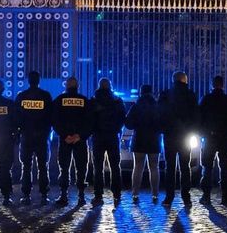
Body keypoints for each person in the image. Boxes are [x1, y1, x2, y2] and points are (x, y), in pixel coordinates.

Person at [158, 71, 199, 207]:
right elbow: (195, 116)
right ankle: (186, 197)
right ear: (185, 80)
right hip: (185, 135)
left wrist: (163, 129)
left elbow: (160, 114)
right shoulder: (191, 95)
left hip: (169, 135)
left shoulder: (165, 95)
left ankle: (169, 197)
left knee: (170, 167)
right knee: (185, 166)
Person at [14, 71, 53, 206]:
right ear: (39, 80)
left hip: (27, 136)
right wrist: (47, 133)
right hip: (42, 137)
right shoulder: (46, 96)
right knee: (43, 167)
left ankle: (26, 195)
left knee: (26, 167)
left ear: (28, 81)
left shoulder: (21, 96)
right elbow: (50, 117)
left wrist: (19, 133)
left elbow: (16, 117)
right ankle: (44, 195)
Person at [51, 77, 92, 206]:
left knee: (64, 168)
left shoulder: (59, 100)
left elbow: (54, 120)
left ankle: (64, 195)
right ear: (77, 86)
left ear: (66, 86)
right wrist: (80, 136)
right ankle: (81, 196)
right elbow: (90, 122)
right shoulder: (84, 101)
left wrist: (64, 136)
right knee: (81, 168)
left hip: (65, 140)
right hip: (80, 140)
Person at [198, 76, 227, 205]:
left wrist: (202, 133)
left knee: (207, 166)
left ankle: (206, 196)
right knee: (225, 167)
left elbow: (200, 118)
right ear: (223, 85)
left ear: (211, 85)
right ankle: (225, 197)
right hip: (225, 138)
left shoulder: (206, 99)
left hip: (209, 137)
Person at [90, 78, 126, 207]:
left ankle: (98, 195)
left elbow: (89, 119)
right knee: (115, 166)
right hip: (112, 136)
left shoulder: (93, 100)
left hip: (98, 137)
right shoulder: (117, 100)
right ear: (110, 86)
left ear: (99, 86)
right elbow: (123, 118)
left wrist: (93, 130)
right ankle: (117, 193)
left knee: (98, 167)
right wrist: (117, 129)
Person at [125, 84, 161, 204]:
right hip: (154, 139)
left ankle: (135, 193)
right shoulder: (157, 106)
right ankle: (155, 194)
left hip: (139, 139)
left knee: (138, 167)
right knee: (154, 167)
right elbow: (163, 123)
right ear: (152, 93)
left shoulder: (136, 106)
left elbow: (128, 124)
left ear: (140, 93)